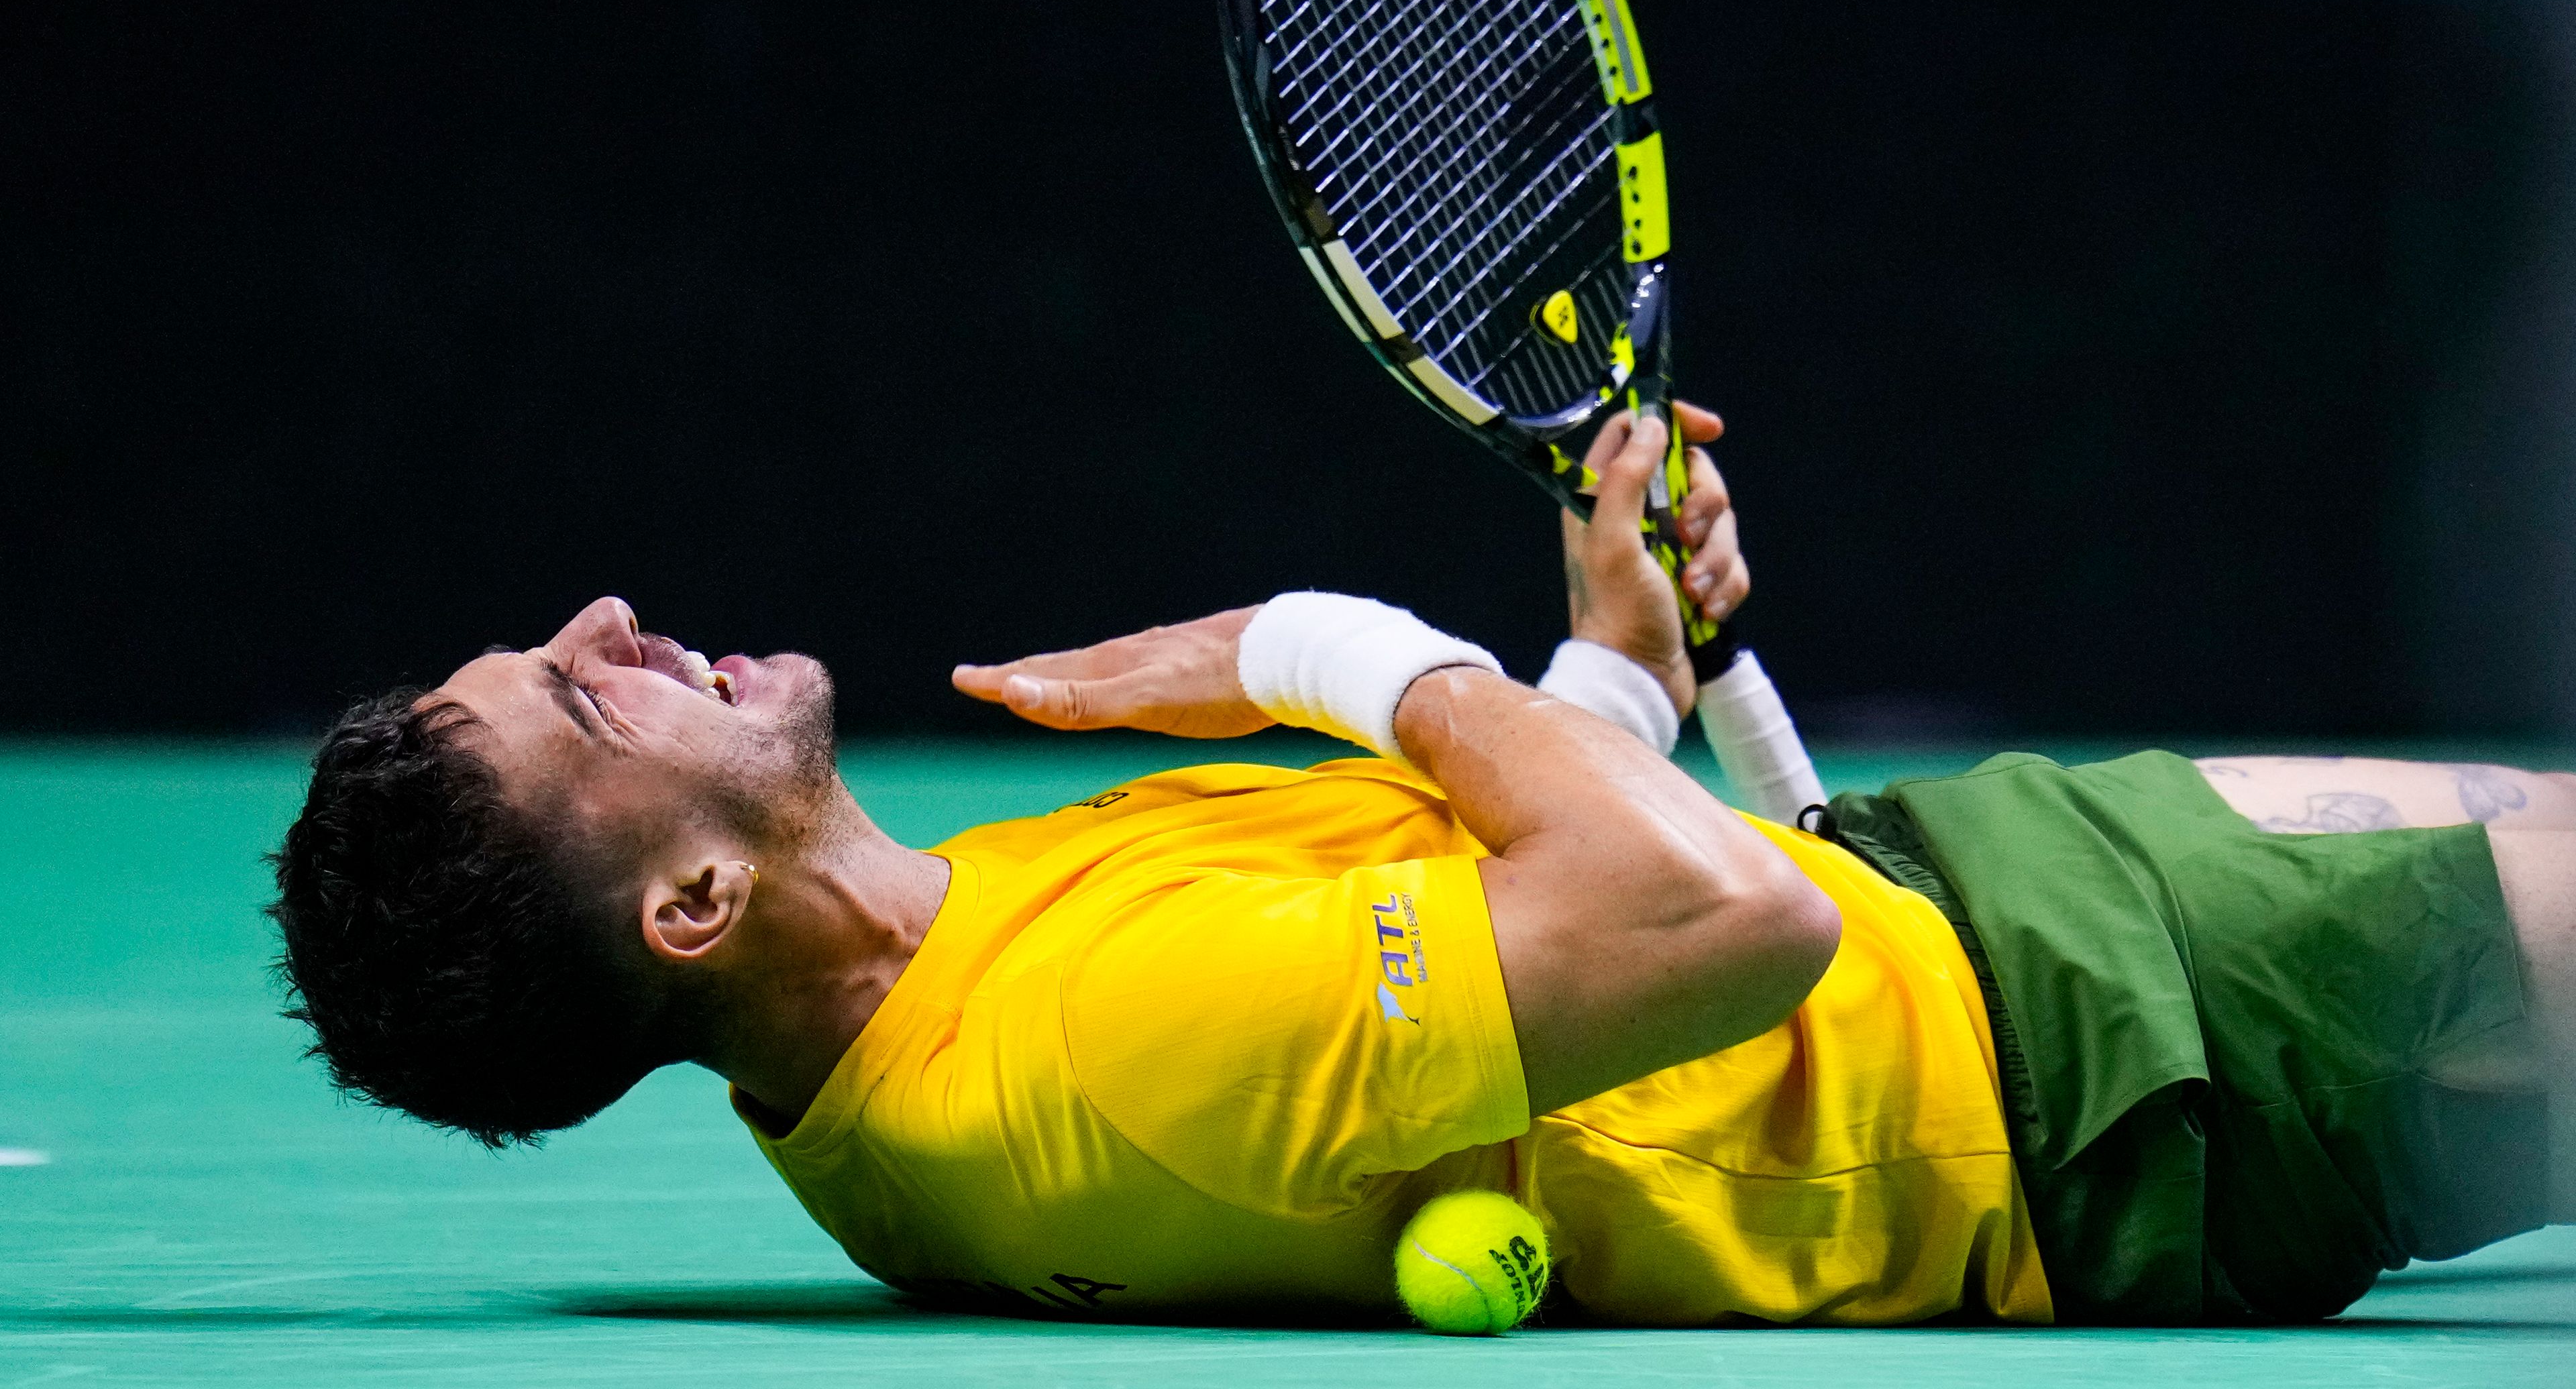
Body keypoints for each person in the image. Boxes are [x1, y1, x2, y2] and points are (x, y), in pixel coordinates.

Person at [267, 409, 2575, 1327]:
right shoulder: (1076, 1058)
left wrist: (1618, 667)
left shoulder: (932, 993)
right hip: (2104, 1058)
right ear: (683, 910)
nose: (596, 629)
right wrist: (1323, 646)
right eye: (576, 704)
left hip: (2006, 922)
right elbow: (1719, 923)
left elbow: (1517, 985)